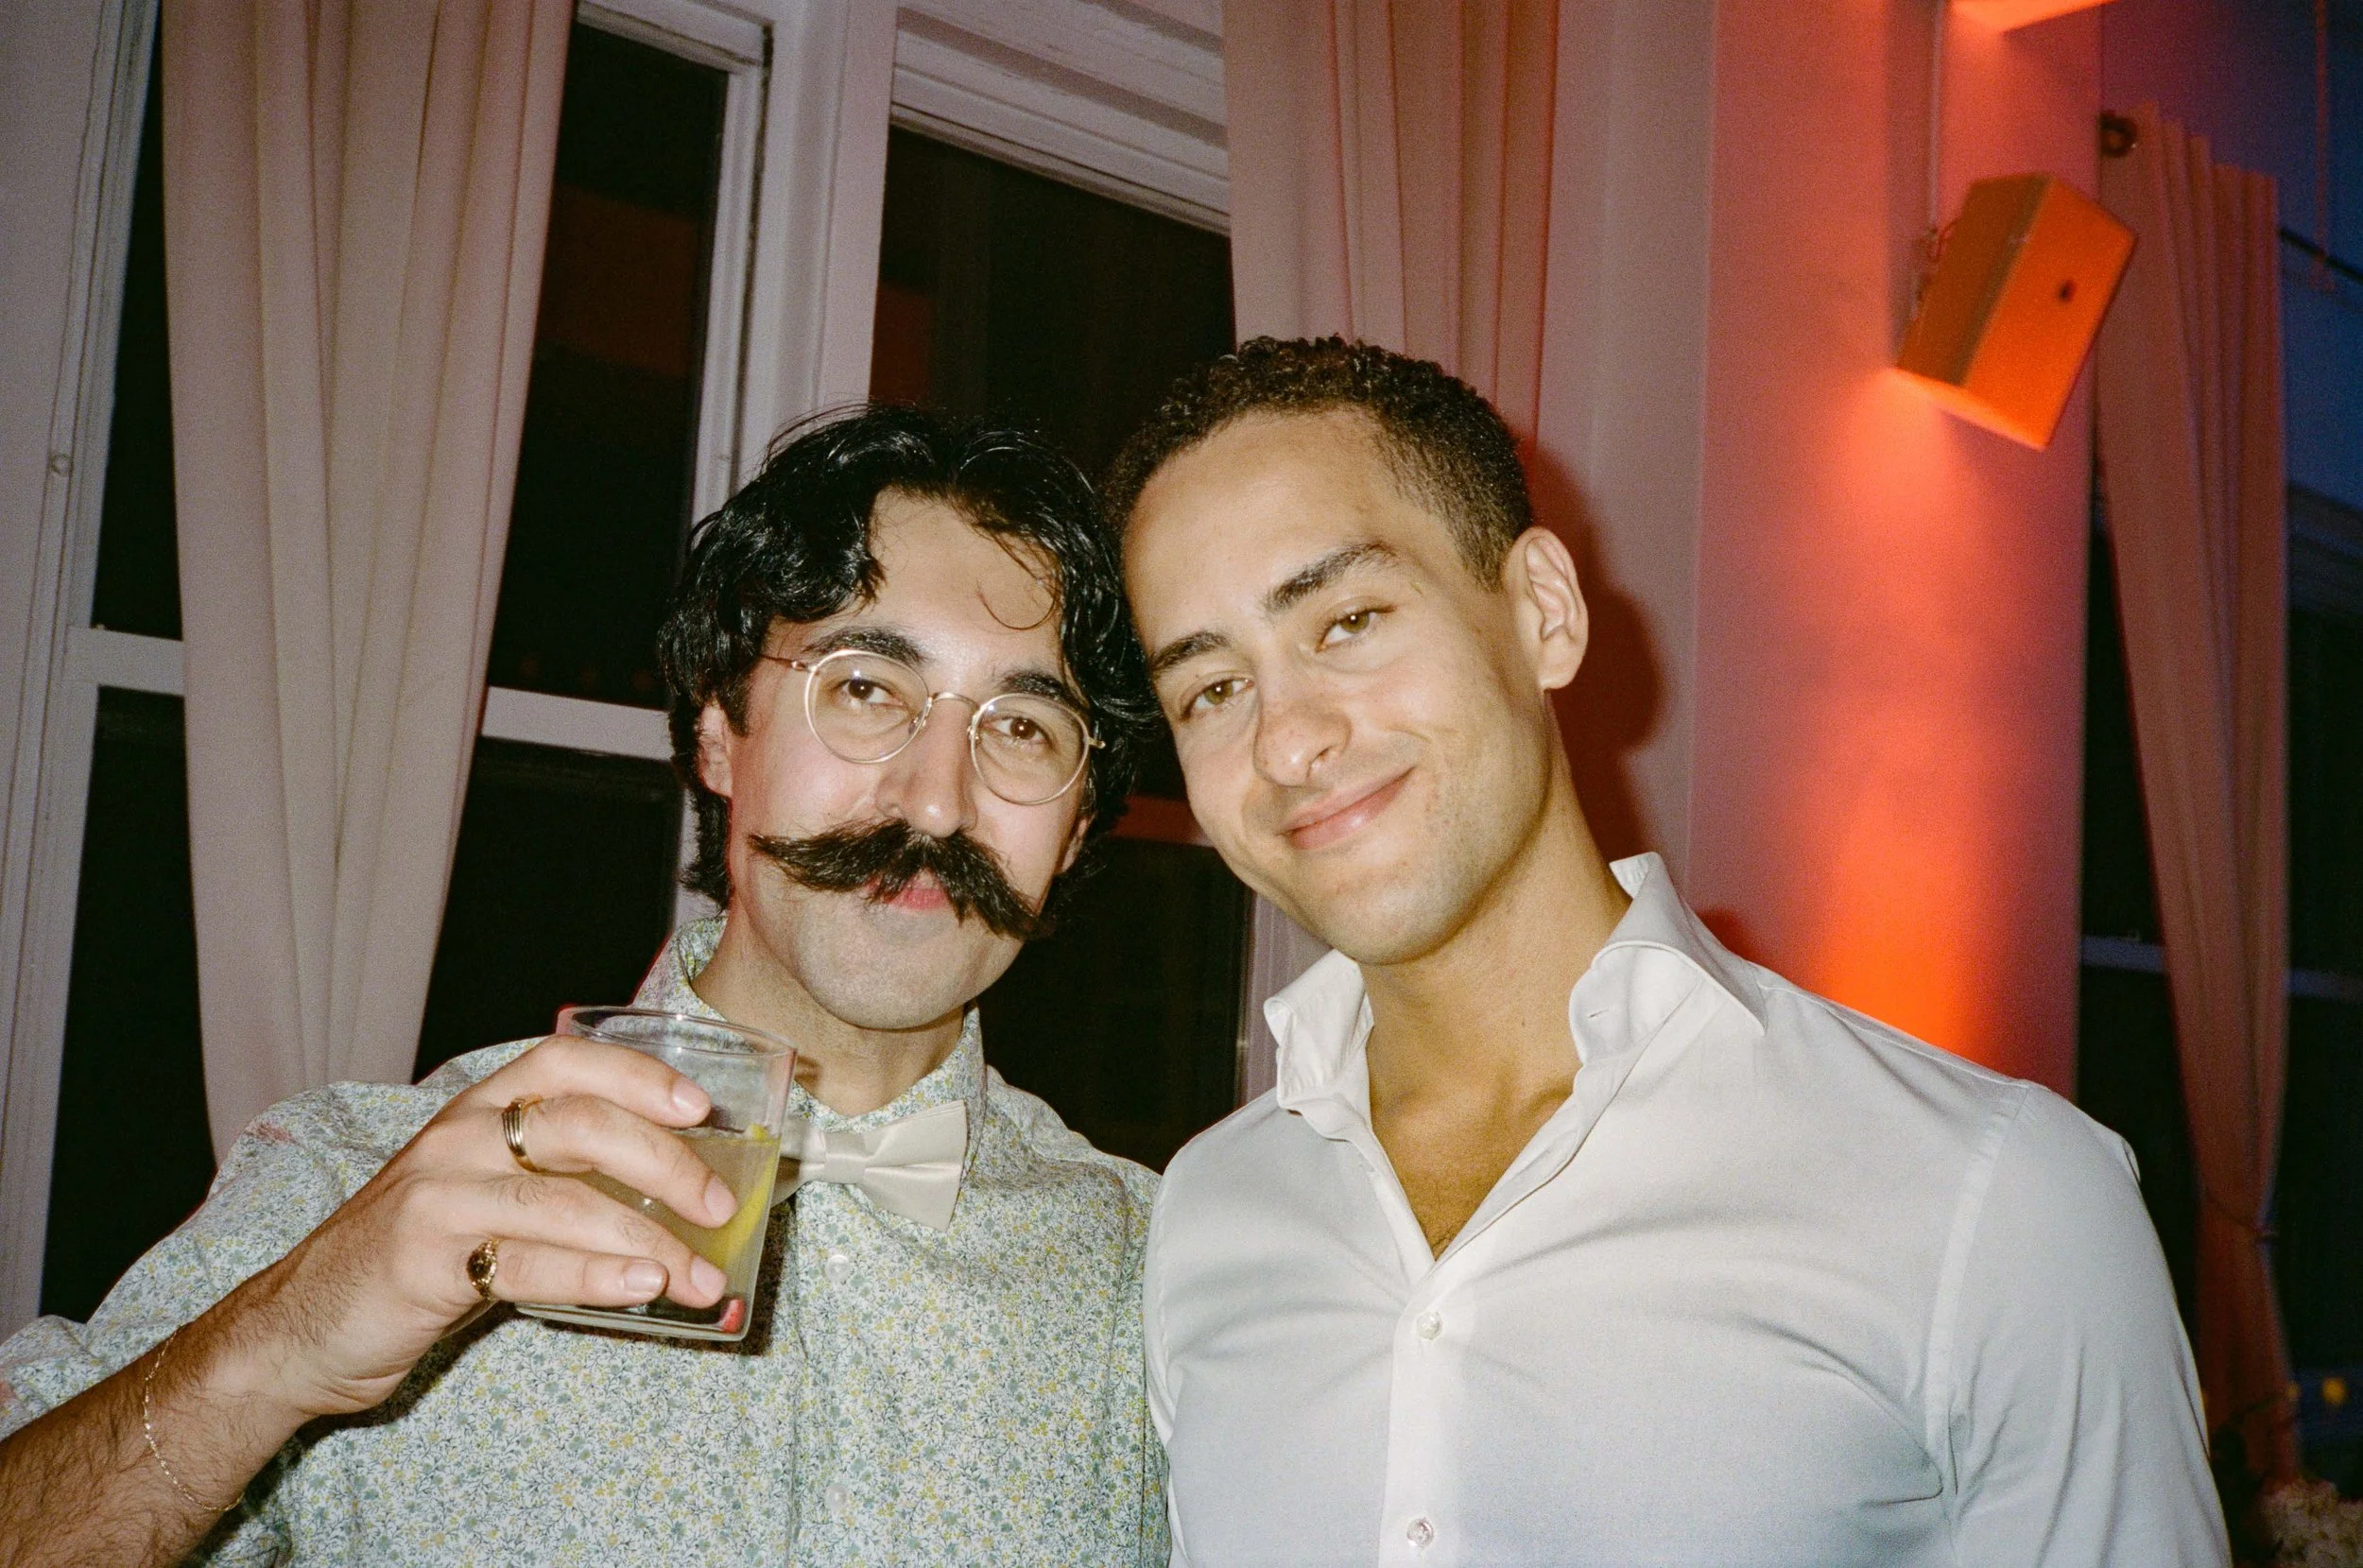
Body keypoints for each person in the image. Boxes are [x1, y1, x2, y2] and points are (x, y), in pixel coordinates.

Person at [1105, 336, 2228, 1567]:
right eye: (1209, 689)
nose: (1286, 741)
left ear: (1543, 610)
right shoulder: (1207, 1215)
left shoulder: (1997, 1197)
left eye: (1349, 619)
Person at [0, 407, 1167, 1566]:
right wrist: (266, 1353)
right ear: (719, 733)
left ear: (1071, 829)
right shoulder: (350, 1181)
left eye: (1024, 726)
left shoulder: (1164, 1276)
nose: (934, 802)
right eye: (864, 690)